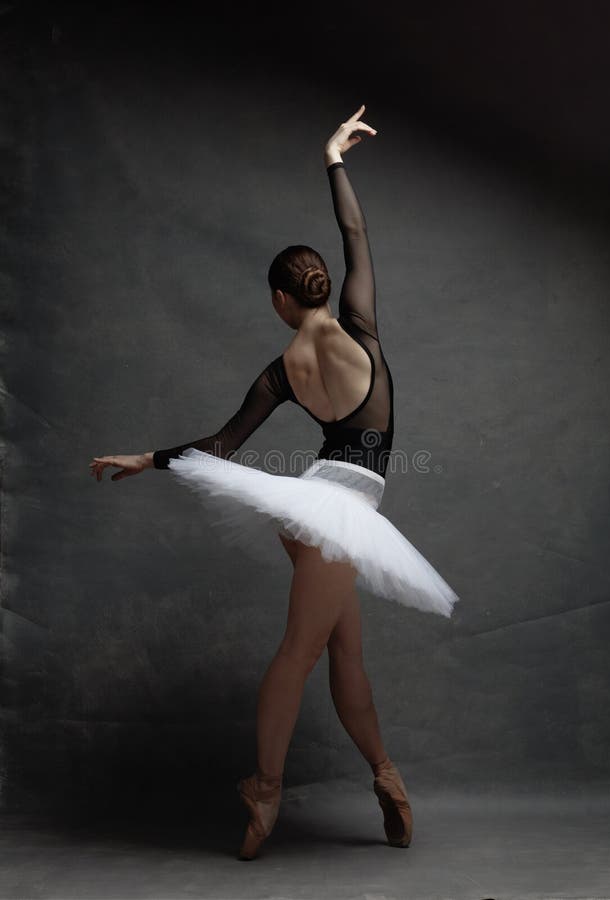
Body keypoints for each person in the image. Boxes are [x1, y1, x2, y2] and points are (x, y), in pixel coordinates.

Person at [90, 105, 459, 859]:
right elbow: (357, 235)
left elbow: (222, 445)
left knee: (342, 654)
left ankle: (387, 777)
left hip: (316, 506)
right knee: (299, 650)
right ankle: (264, 791)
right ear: (323, 288)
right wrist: (333, 159)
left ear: (280, 300)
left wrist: (148, 457)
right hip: (342, 505)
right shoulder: (362, 327)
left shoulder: (281, 370)